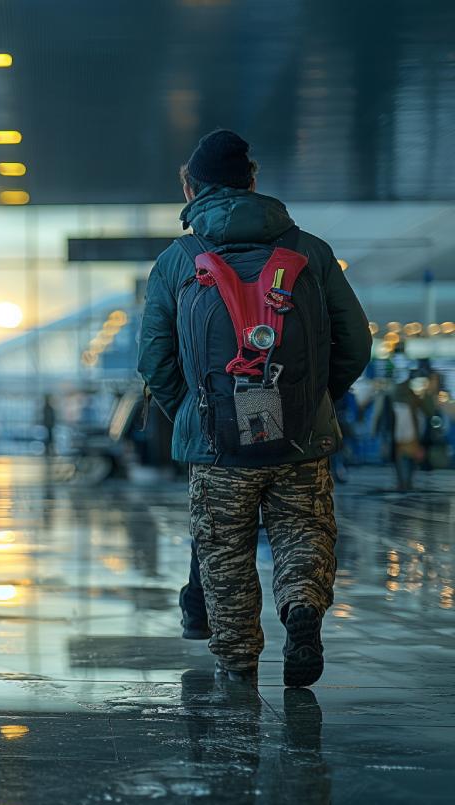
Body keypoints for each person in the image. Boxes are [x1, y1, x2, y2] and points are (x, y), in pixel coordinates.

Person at [138, 129, 372, 686]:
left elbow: (154, 360)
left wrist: (198, 412)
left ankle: (239, 665)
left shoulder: (178, 260)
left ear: (189, 188)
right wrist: (313, 400)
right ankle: (302, 611)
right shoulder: (309, 251)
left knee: (225, 554)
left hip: (217, 448)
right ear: (254, 181)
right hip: (301, 440)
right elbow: (356, 343)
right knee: (303, 531)